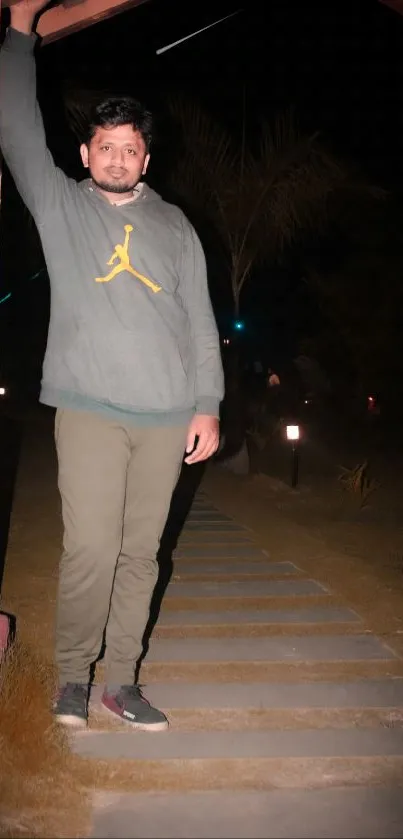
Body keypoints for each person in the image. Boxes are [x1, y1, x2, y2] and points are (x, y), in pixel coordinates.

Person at [0, 0, 224, 731]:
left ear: (145, 158)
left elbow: (198, 317)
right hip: (90, 407)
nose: (118, 156)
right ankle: (72, 674)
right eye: (106, 145)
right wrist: (20, 33)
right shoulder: (64, 209)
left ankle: (120, 681)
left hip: (165, 417)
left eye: (130, 147)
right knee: (91, 547)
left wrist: (207, 403)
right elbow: (16, 131)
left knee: (140, 555)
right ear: (87, 153)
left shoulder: (173, 224)